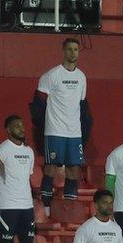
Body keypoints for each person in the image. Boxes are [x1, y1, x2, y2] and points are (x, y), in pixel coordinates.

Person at [38, 38, 87, 216]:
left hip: (74, 133)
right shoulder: (51, 76)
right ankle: (46, 205)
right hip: (55, 131)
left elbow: (81, 105)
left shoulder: (81, 77)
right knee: (51, 166)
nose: (73, 53)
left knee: (74, 168)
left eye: (76, 49)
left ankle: (69, 206)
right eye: (70, 49)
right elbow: (40, 104)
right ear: (63, 51)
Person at [0, 115, 35, 243]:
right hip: (8, 205)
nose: (22, 128)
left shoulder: (29, 151)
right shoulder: (1, 150)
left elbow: (27, 177)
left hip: (27, 206)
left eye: (22, 125)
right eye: (17, 126)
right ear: (8, 130)